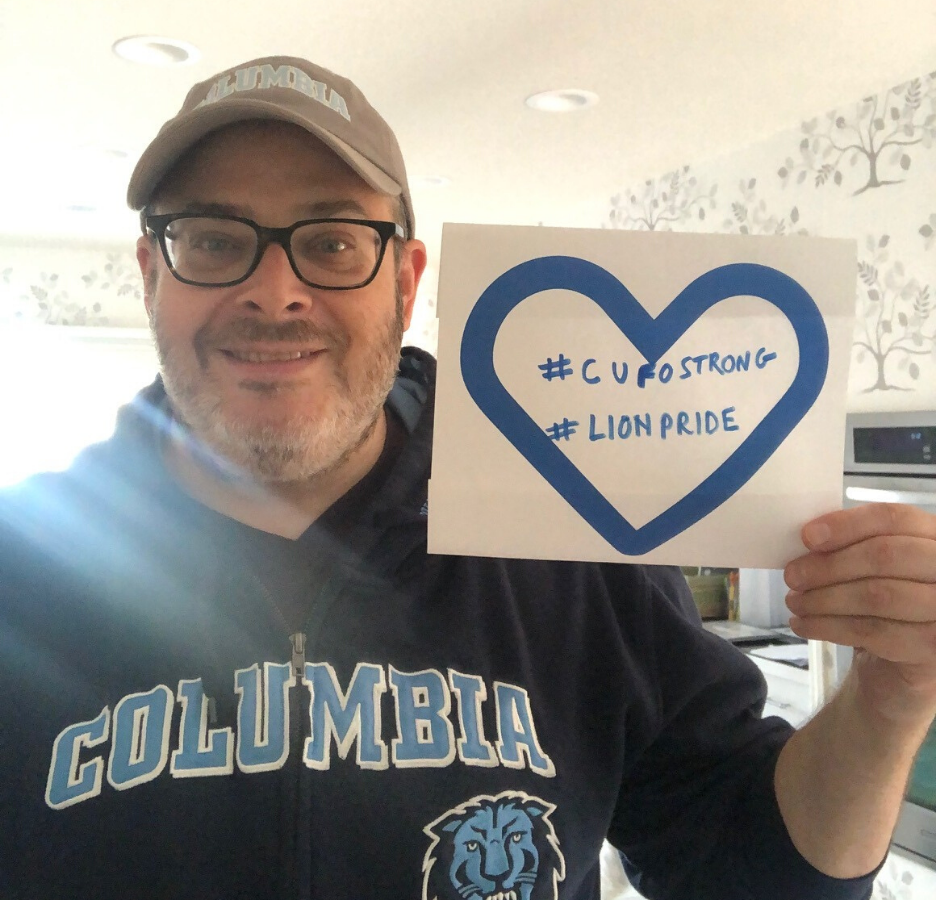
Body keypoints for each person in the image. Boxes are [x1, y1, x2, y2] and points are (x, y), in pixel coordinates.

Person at [1, 54, 934, 900]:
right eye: (210, 239)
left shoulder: (574, 537)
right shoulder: (22, 570)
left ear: (405, 285)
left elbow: (761, 878)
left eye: (331, 242)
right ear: (150, 274)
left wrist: (892, 699)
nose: (275, 292)